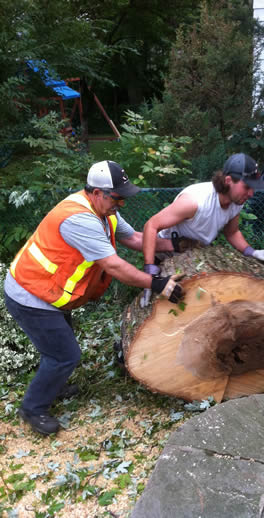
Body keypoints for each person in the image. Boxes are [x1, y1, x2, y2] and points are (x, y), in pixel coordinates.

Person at [4, 160, 184, 435]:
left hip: (47, 292)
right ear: (97, 192)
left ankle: (52, 384)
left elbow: (135, 239)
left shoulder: (104, 212)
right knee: (65, 355)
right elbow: (113, 266)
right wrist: (157, 283)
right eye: (117, 198)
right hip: (31, 295)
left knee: (56, 347)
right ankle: (33, 408)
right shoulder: (80, 219)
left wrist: (174, 245)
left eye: (123, 198)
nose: (121, 204)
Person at [141, 153, 264, 304]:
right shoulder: (195, 202)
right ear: (228, 180)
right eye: (247, 187)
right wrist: (150, 273)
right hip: (164, 259)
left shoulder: (236, 202)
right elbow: (151, 225)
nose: (251, 193)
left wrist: (252, 252)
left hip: (193, 257)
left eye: (253, 188)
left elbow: (232, 233)